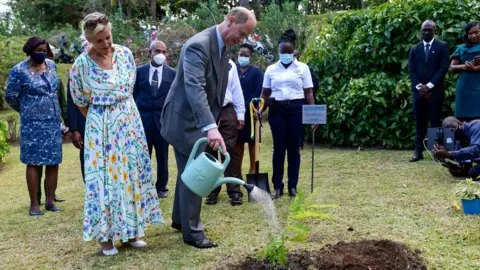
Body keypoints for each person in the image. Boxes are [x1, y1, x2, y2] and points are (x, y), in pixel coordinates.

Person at [160, 7, 256, 248]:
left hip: (200, 120)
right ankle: (193, 233)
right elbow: (195, 88)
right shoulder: (198, 45)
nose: (242, 41)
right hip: (184, 120)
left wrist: (215, 122)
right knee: (196, 171)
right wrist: (211, 127)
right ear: (231, 21)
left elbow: (218, 90)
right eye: (242, 34)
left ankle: (180, 220)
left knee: (188, 171)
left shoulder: (224, 49)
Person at [69, 12, 163, 256]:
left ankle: (132, 231)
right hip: (101, 126)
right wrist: (101, 119)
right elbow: (80, 100)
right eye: (99, 40)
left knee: (130, 174)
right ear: (89, 40)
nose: (106, 44)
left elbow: (129, 87)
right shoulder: (80, 65)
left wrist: (121, 114)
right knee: (104, 181)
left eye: (108, 37)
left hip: (129, 121)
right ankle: (106, 238)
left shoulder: (124, 54)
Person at [5, 37, 66, 216]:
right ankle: (34, 204)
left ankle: (50, 200)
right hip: (32, 124)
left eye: (45, 50)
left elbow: (54, 90)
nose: (42, 53)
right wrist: (28, 109)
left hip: (52, 122)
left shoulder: (51, 66)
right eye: (39, 50)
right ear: (30, 50)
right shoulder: (19, 70)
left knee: (54, 161)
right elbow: (10, 97)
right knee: (33, 162)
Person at [260, 29, 317, 199]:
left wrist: (313, 113)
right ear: (278, 51)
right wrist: (259, 109)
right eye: (282, 52)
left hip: (296, 109)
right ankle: (277, 186)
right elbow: (264, 93)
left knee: (294, 149)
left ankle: (293, 185)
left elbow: (308, 93)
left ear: (293, 52)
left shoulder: (303, 68)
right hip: (277, 110)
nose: (285, 54)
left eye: (288, 52)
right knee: (278, 149)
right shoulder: (270, 69)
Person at [133, 40, 176, 198]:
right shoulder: (139, 72)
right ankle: (143, 186)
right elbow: (134, 94)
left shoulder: (172, 73)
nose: (160, 55)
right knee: (143, 155)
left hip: (162, 121)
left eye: (163, 52)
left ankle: (161, 187)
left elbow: (175, 99)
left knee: (162, 156)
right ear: (150, 52)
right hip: (143, 121)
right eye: (157, 51)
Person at [408, 20, 449, 162]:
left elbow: (443, 68)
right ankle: (418, 151)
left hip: (435, 92)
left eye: (429, 30)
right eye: (424, 29)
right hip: (418, 93)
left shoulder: (442, 46)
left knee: (434, 122)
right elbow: (411, 71)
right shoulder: (415, 49)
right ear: (421, 30)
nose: (426, 32)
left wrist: (429, 86)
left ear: (434, 31)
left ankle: (436, 153)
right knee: (419, 121)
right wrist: (420, 87)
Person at [205, 59, 245, 206]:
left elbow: (236, 89)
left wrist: (240, 114)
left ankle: (234, 191)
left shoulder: (230, 64)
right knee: (209, 151)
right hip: (207, 112)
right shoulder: (205, 61)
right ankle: (212, 190)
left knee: (230, 151)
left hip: (226, 110)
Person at [37, 77, 68, 204]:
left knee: (53, 162)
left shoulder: (57, 81)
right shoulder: (31, 81)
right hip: (36, 126)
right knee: (37, 163)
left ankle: (50, 195)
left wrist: (68, 124)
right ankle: (36, 198)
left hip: (54, 126)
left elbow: (63, 103)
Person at [236, 43, 263, 175]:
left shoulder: (256, 72)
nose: (243, 57)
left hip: (252, 113)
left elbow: (259, 91)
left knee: (252, 141)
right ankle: (238, 171)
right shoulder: (232, 70)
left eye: (246, 55)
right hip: (236, 114)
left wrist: (249, 106)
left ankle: (253, 169)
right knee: (238, 142)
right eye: (241, 54)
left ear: (250, 56)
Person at [449, 21, 480, 121]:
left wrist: (475, 68)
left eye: (476, 32)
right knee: (463, 120)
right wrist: (466, 66)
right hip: (464, 88)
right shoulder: (461, 48)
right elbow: (452, 67)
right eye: (470, 33)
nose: (473, 35)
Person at [293, 50, 319, 150]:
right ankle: (296, 143)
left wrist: (308, 92)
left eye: (295, 55)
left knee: (302, 122)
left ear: (298, 56)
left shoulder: (306, 68)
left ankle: (300, 143)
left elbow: (315, 83)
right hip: (294, 99)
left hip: (305, 99)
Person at [67, 80, 86, 181]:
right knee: (87, 161)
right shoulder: (78, 68)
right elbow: (71, 101)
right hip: (85, 126)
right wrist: (74, 130)